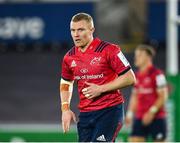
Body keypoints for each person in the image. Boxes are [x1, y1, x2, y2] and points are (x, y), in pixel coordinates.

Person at [60, 12, 136, 142]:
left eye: (80, 30)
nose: (76, 34)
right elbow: (66, 83)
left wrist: (101, 89)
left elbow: (130, 78)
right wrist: (65, 109)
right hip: (85, 114)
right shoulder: (69, 57)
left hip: (110, 111)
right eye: (73, 30)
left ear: (92, 30)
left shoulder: (110, 50)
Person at [125, 44, 168, 142]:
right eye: (136, 55)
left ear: (148, 57)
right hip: (140, 117)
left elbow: (163, 96)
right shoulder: (137, 76)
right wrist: (130, 114)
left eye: (140, 55)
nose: (136, 58)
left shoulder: (158, 74)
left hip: (157, 118)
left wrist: (151, 112)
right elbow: (135, 96)